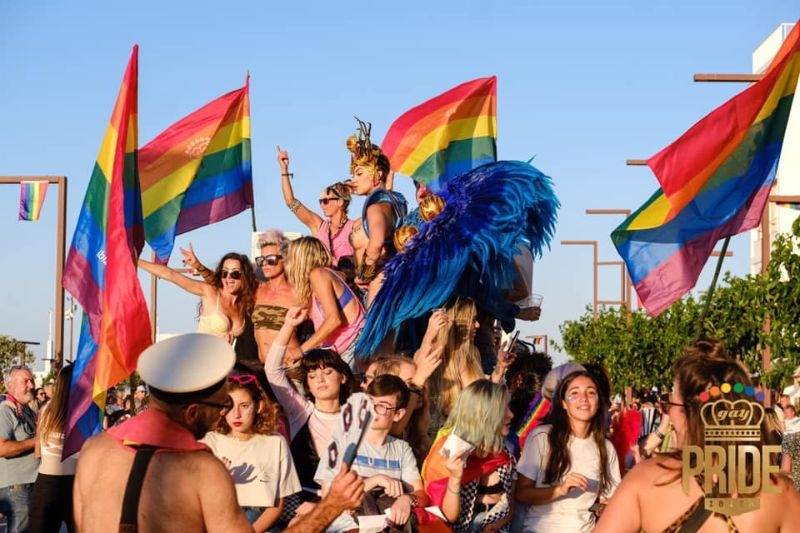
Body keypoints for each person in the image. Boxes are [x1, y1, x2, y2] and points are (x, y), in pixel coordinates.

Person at [73, 332, 364, 532]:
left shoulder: (95, 450)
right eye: (222, 404)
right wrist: (330, 507)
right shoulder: (202, 470)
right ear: (192, 413)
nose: (226, 413)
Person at [595, 342, 800, 532]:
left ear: (688, 414)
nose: (669, 414)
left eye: (670, 405)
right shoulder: (781, 493)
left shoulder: (647, 480)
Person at [264, 307, 355, 506]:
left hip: (348, 503)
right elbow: (272, 370)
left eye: (327, 372)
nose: (320, 380)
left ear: (343, 377)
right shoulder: (301, 410)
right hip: (303, 502)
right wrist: (288, 325)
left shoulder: (356, 418)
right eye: (312, 376)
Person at [316, 375, 430, 531]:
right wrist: (375, 480)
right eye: (370, 402)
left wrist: (407, 499)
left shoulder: (401, 448)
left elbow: (421, 494)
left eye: (382, 406)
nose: (373, 410)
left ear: (398, 414)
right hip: (347, 526)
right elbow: (328, 496)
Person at [515, 369, 620, 532]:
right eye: (575, 393)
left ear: (599, 402)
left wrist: (603, 508)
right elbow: (521, 493)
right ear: (563, 403)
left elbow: (608, 500)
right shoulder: (542, 437)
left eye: (591, 393)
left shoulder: (606, 448)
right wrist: (560, 490)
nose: (584, 399)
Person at [201, 373, 301, 531]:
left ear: (259, 406)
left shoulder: (275, 442)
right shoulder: (209, 442)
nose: (236, 414)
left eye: (244, 406)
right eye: (229, 406)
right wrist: (220, 481)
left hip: (262, 524)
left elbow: (277, 505)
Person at [421, 379, 516, 532]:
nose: (511, 414)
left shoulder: (502, 451)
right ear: (484, 414)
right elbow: (446, 517)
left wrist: (497, 524)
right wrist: (455, 477)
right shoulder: (448, 452)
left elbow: (511, 503)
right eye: (503, 409)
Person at [345, 119, 408, 305]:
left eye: (359, 173)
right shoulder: (390, 201)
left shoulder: (375, 206)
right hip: (389, 278)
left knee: (376, 333)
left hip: (380, 281)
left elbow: (376, 243)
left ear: (378, 174)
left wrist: (364, 275)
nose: (353, 180)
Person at [428, 299, 513, 433]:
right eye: (473, 320)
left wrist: (500, 367)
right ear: (459, 322)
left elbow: (483, 394)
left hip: (473, 429)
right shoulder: (439, 354)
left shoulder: (473, 352)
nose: (478, 325)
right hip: (450, 431)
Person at [138, 251, 257, 344]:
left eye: (235, 273)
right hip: (199, 365)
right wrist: (136, 261)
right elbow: (171, 274)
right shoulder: (210, 293)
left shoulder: (245, 304)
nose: (228, 278)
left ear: (244, 276)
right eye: (224, 273)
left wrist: (198, 266)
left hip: (222, 370)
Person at [284, 236, 365, 369]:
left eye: (290, 258)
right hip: (343, 349)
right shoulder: (322, 278)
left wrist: (301, 350)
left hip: (353, 346)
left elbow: (333, 320)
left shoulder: (318, 274)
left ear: (299, 260)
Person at [276, 146, 355, 268]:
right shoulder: (319, 226)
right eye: (320, 201)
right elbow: (291, 202)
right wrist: (284, 169)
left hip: (347, 284)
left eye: (325, 201)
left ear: (340, 202)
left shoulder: (354, 227)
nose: (322, 205)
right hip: (321, 283)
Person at [29, 364, 77, 532]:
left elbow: (38, 452)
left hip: (46, 484)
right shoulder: (84, 412)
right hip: (75, 484)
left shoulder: (45, 410)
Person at [0, 365, 38, 533]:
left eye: (32, 380)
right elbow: (2, 448)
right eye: (26, 381)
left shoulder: (26, 410)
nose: (31, 385)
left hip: (29, 485)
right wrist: (36, 442)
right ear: (11, 386)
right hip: (17, 488)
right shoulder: (5, 411)